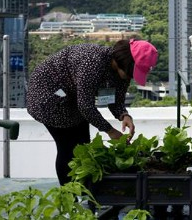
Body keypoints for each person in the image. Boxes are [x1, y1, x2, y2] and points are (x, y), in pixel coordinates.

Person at [26, 38, 158, 185]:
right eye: (131, 73)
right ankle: (69, 195)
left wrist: (124, 115)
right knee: (68, 148)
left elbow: (115, 99)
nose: (130, 78)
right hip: (49, 97)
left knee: (83, 147)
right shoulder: (93, 63)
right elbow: (86, 107)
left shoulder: (121, 70)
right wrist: (110, 131)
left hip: (72, 98)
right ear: (122, 63)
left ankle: (83, 191)